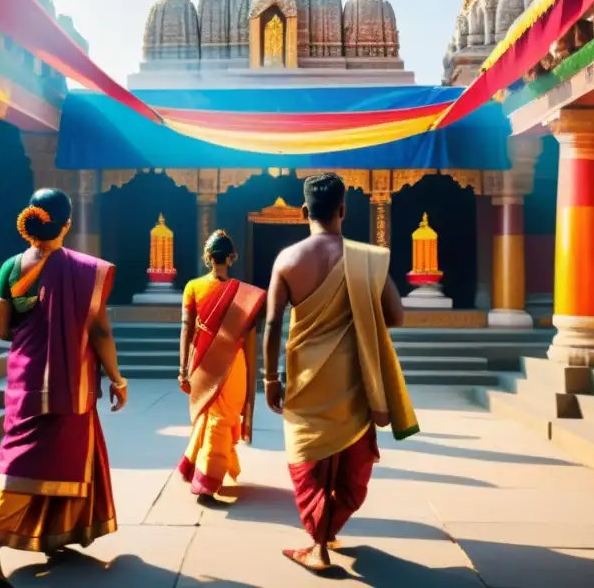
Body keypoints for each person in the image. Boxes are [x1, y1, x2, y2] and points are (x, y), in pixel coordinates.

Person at [0, 188, 128, 584]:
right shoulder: (86, 270)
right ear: (67, 223)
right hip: (72, 380)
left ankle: (55, 532)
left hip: (25, 377)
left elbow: (1, 330)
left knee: (29, 454)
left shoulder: (10, 268)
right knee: (43, 458)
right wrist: (117, 378)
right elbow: (100, 329)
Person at [264, 173, 418, 574]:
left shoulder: (287, 259)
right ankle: (327, 531)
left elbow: (271, 326)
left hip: (304, 379)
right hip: (355, 377)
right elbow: (396, 316)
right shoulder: (367, 258)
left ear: (304, 212)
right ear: (344, 210)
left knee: (309, 460)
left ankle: (317, 542)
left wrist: (270, 379)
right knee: (350, 459)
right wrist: (359, 306)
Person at [178, 230, 266, 503]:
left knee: (210, 417)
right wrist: (256, 373)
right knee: (220, 419)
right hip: (233, 365)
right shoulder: (245, 295)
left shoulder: (192, 286)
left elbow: (186, 329)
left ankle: (197, 466)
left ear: (207, 257)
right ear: (232, 258)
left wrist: (182, 368)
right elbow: (248, 338)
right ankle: (206, 482)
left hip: (201, 361)